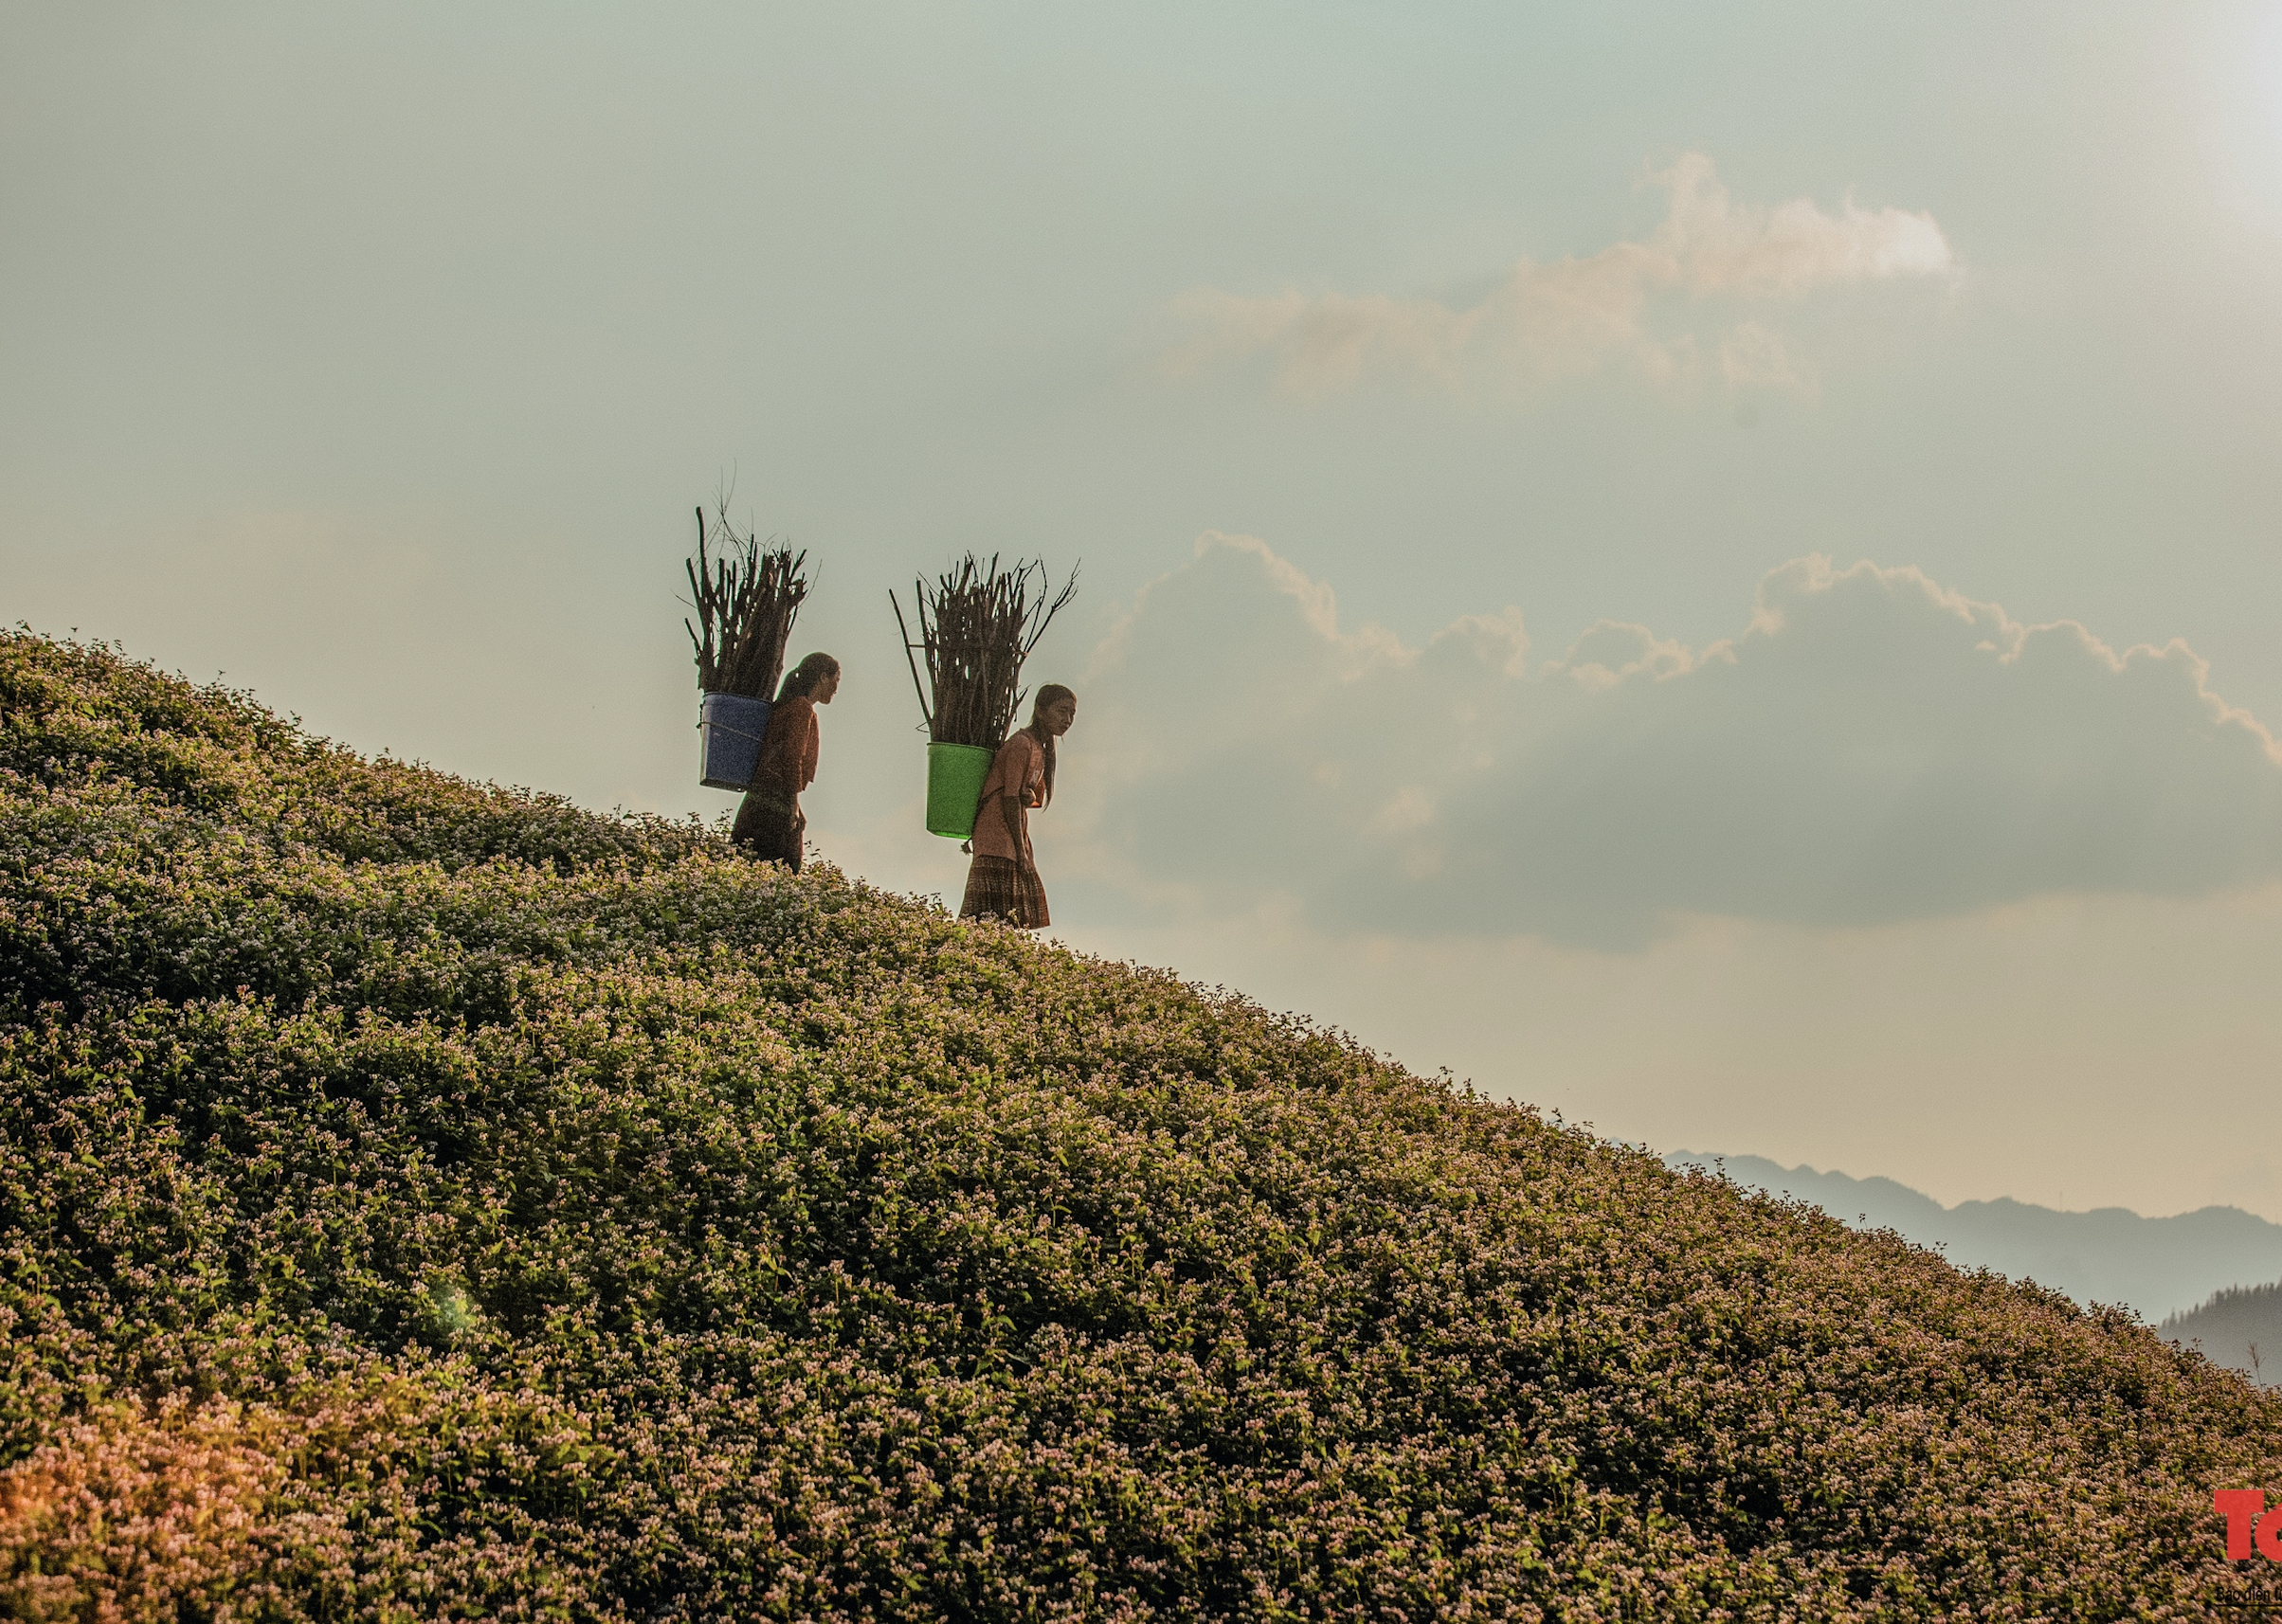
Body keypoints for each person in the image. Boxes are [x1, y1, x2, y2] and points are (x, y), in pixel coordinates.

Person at [959, 683, 1075, 929]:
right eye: (1062, 711)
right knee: (988, 918)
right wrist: (1021, 851)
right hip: (997, 834)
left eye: (1071, 714)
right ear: (1041, 711)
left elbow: (1027, 797)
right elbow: (1009, 798)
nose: (1067, 719)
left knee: (1005, 918)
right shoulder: (1022, 744)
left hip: (1012, 836)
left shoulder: (1038, 748)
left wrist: (1028, 795)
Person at [732, 652, 840, 869]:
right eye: (835, 680)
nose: (836, 688)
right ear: (822, 677)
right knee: (785, 871)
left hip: (758, 799)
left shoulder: (788, 705)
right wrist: (792, 805)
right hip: (774, 805)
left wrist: (796, 807)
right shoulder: (801, 708)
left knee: (744, 865)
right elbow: (792, 757)